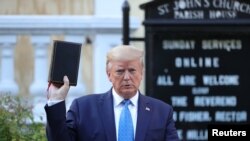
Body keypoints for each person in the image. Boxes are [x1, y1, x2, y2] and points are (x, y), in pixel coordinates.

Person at [45, 45, 179, 141]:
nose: (127, 77)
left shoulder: (162, 112)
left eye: (132, 70)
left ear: (141, 73)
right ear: (109, 74)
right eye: (120, 71)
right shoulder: (83, 108)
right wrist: (56, 101)